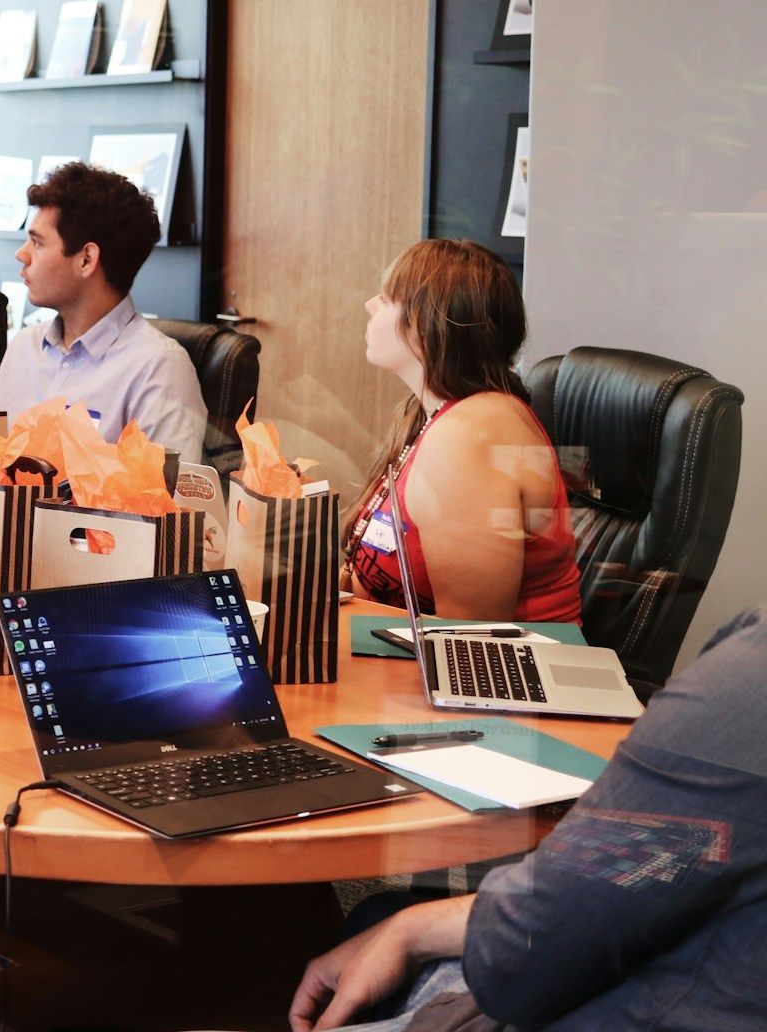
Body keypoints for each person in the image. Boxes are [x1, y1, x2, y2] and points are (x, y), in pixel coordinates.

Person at [289, 608, 767, 1032]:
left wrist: (412, 932)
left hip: (618, 1007)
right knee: (380, 916)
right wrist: (410, 929)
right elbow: (653, 876)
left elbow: (519, 971)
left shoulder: (751, 681)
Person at [344, 239, 581, 623]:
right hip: (407, 651)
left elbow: (471, 639)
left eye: (387, 300)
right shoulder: (433, 414)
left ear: (425, 325)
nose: (369, 305)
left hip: (501, 674)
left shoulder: (471, 434)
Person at [0, 162, 207, 463]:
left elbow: (170, 504)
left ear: (86, 259)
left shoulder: (158, 368)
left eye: (37, 243)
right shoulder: (23, 347)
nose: (21, 254)